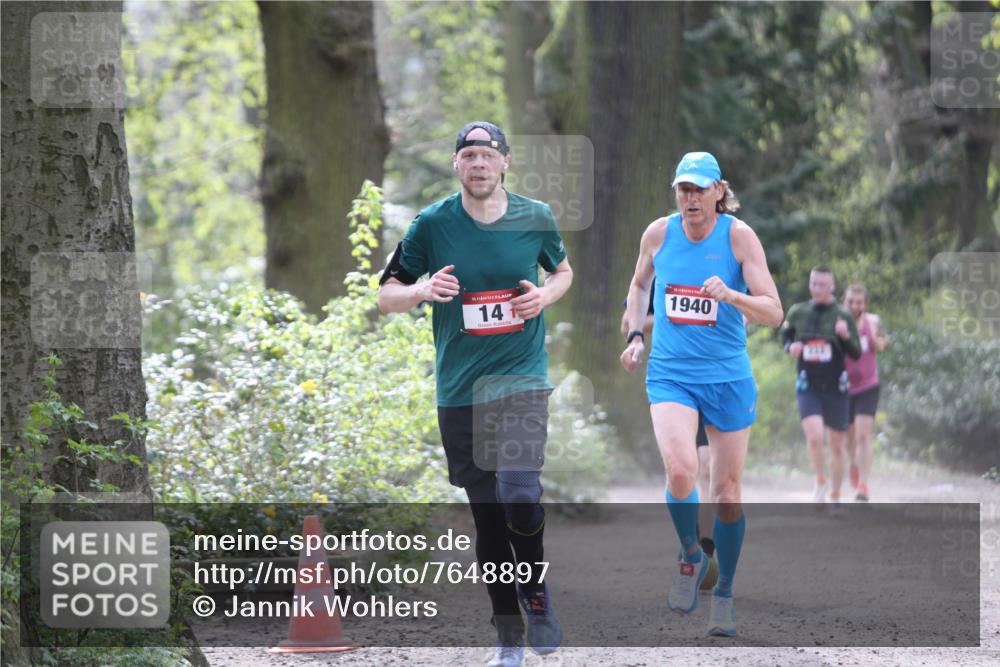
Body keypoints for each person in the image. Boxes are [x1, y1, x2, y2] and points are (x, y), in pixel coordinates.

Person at [378, 121, 573, 667]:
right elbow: (386, 296)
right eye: (469, 156)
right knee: (488, 518)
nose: (479, 164)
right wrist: (421, 289)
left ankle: (536, 592)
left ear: (505, 162)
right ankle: (508, 635)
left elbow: (562, 272)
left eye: (488, 155)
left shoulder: (536, 216)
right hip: (460, 391)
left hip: (521, 380)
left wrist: (545, 297)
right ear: (456, 165)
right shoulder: (432, 224)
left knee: (519, 495)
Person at [620, 151, 783, 637]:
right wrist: (635, 335)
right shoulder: (658, 234)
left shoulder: (738, 237)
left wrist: (731, 296)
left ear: (719, 191)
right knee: (679, 469)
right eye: (683, 190)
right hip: (671, 374)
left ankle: (725, 592)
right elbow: (639, 286)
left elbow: (773, 312)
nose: (690, 198)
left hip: (728, 377)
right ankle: (692, 556)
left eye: (699, 189)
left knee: (726, 494)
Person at [620, 280, 718, 582]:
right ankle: (690, 542)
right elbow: (627, 322)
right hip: (676, 383)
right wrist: (669, 316)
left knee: (709, 466)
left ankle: (706, 547)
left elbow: (749, 313)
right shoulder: (660, 270)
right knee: (683, 469)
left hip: (717, 377)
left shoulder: (723, 263)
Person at [781, 268, 861, 515]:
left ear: (832, 286)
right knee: (815, 437)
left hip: (836, 387)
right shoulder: (798, 312)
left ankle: (836, 496)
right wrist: (790, 347)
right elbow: (785, 336)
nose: (816, 289)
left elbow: (856, 352)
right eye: (813, 283)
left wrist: (844, 336)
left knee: (836, 445)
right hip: (808, 386)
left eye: (822, 285)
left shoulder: (843, 315)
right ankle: (819, 479)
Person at [842, 283, 888, 502]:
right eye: (851, 302)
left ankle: (863, 484)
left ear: (865, 304)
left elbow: (882, 345)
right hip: (843, 387)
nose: (855, 306)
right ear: (844, 301)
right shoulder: (837, 322)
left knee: (863, 434)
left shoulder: (874, 321)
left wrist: (876, 339)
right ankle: (853, 464)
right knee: (849, 437)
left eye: (859, 302)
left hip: (868, 385)